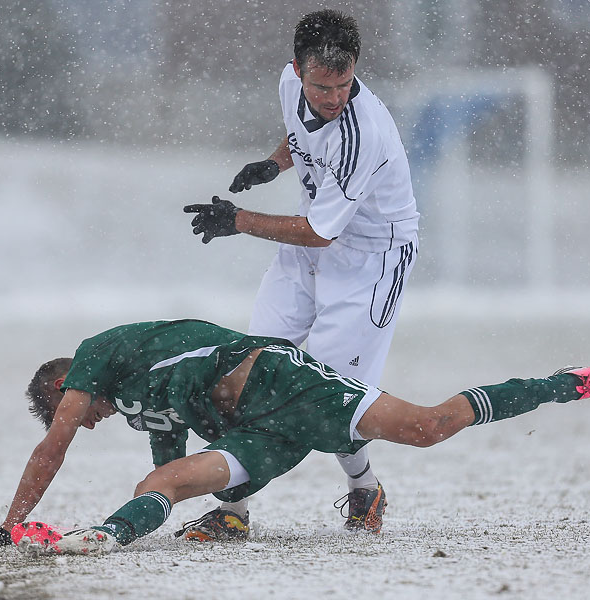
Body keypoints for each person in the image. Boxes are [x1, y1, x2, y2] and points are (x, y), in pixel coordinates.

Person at [0, 319, 590, 553]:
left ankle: (574, 380)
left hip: (284, 383)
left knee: (430, 428)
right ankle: (100, 537)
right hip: (257, 434)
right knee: (153, 485)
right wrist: (212, 497)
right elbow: (171, 461)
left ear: (67, 384)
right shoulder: (135, 404)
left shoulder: (98, 354)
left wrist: (9, 525)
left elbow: (52, 444)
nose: (80, 419)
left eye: (69, 406)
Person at [183, 10, 420, 538]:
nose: (333, 97)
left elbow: (320, 231)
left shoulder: (365, 134)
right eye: (321, 86)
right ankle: (232, 512)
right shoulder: (291, 82)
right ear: (298, 69)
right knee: (250, 370)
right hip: (311, 246)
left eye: (343, 85)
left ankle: (365, 488)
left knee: (324, 396)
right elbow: (302, 136)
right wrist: (274, 164)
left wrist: (237, 221)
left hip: (368, 261)